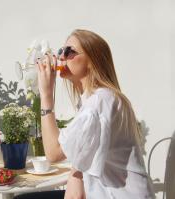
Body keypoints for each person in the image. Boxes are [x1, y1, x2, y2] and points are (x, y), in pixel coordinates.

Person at [14, 29, 155, 199]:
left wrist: (46, 94)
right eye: (61, 50)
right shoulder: (94, 99)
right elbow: (81, 161)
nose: (61, 56)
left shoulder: (100, 101)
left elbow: (53, 153)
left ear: (92, 62)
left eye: (69, 51)